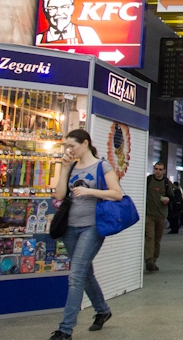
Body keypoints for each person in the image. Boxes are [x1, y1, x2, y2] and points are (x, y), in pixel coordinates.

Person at [49, 130, 121, 340]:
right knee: (85, 272)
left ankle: (65, 329)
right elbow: (60, 195)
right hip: (70, 227)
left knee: (76, 275)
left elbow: (117, 193)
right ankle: (102, 310)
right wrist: (63, 170)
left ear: (85, 143)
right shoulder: (70, 167)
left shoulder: (102, 166)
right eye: (66, 147)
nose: (68, 150)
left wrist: (90, 192)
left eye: (72, 146)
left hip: (92, 227)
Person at [36, 0, 102, 45]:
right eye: (53, 8)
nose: (59, 13)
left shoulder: (87, 33)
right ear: (46, 11)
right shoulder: (39, 39)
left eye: (64, 7)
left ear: (72, 9)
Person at [145, 162, 173, 272]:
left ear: (164, 171)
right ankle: (149, 260)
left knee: (157, 239)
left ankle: (154, 259)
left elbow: (172, 196)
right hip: (149, 214)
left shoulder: (167, 183)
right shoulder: (148, 180)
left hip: (161, 215)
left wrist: (168, 200)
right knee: (150, 237)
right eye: (156, 169)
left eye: (160, 169)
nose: (158, 171)